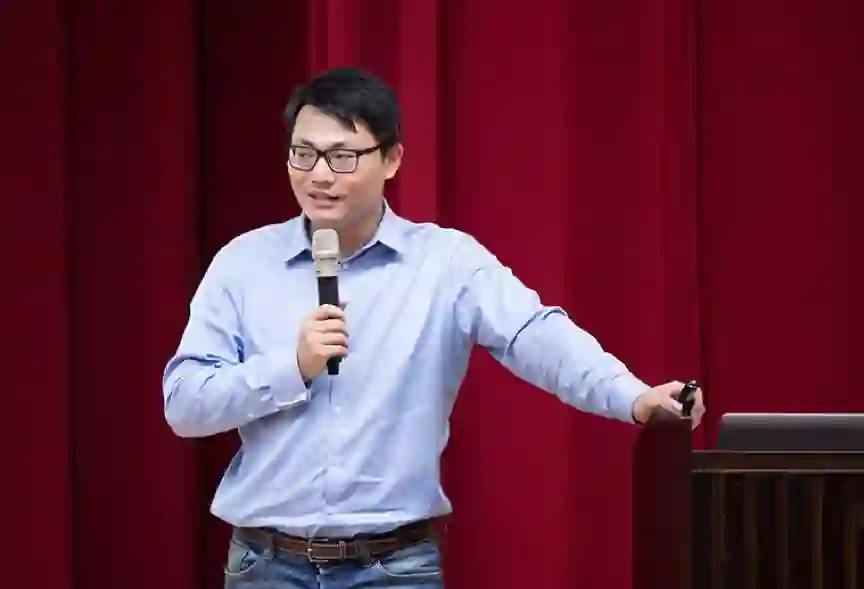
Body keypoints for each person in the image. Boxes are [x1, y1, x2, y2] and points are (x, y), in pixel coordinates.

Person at [162, 67, 705, 589]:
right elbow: (185, 405)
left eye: (343, 157)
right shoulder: (243, 263)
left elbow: (535, 335)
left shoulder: (446, 262)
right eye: (303, 153)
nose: (319, 175)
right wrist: (292, 367)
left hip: (393, 567)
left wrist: (633, 397)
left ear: (392, 159)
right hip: (266, 565)